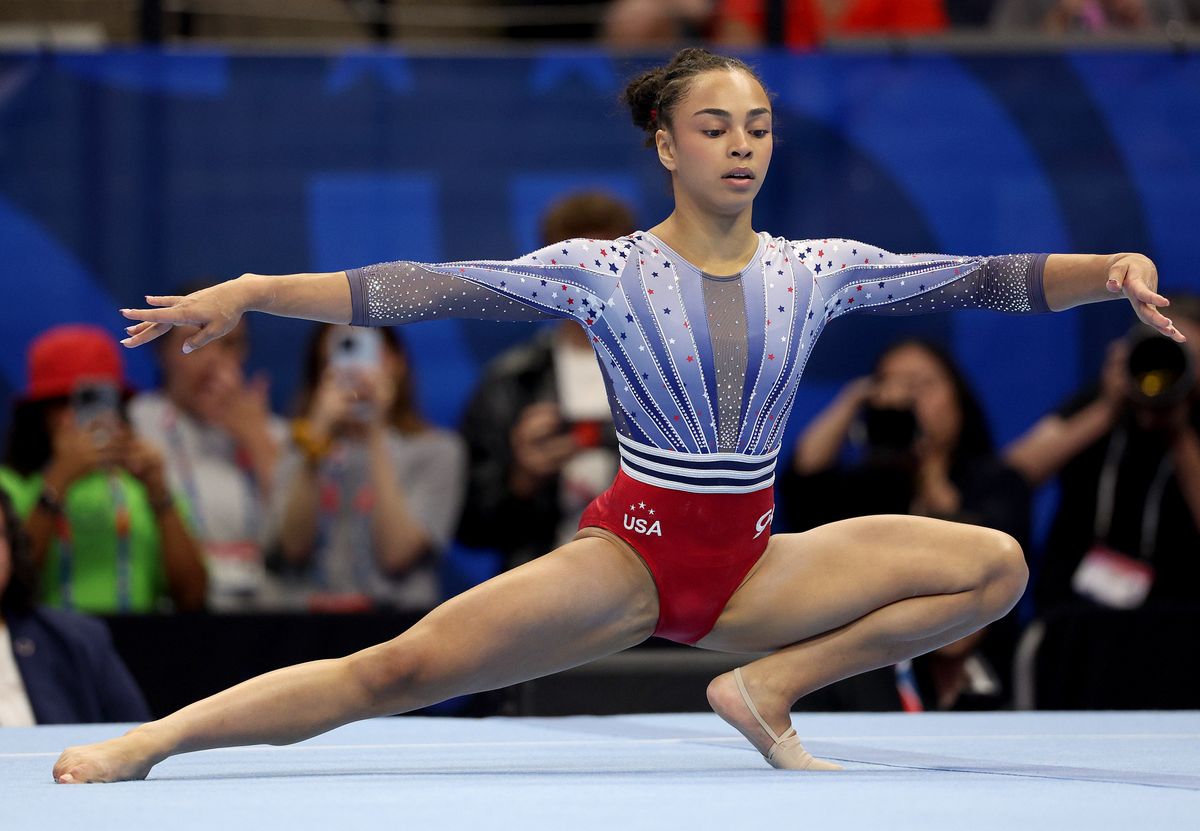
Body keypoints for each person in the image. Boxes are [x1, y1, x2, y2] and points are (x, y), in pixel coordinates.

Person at [54, 47, 1179, 783]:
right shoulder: (602, 270)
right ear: (666, 144)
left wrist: (1113, 266)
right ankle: (152, 742)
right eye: (716, 126)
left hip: (752, 561)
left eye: (759, 126)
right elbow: (414, 286)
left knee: (992, 566)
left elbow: (986, 277)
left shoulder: (823, 265)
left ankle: (765, 687)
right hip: (633, 555)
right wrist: (254, 292)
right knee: (392, 673)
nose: (742, 145)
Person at [784, 338, 1031, 709]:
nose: (905, 397)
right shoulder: (868, 487)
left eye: (923, 385)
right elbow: (804, 483)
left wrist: (930, 471)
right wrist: (855, 399)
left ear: (958, 398)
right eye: (890, 383)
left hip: (975, 668)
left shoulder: (996, 481)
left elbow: (978, 562)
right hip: (873, 672)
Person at [457, 192, 634, 569]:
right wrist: (521, 479)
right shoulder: (510, 382)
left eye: (606, 266)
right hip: (540, 587)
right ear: (548, 275)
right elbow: (470, 527)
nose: (592, 284)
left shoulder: (673, 379)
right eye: (577, 269)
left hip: (654, 598)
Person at [1005, 299, 1200, 612]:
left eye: (1182, 353)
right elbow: (1013, 475)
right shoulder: (1097, 405)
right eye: (1158, 344)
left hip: (1176, 622)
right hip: (1070, 618)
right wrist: (1106, 411)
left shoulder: (1193, 425)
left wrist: (1179, 435)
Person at [0, 325, 207, 615]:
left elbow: (193, 596)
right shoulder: (9, 487)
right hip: (43, 649)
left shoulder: (141, 486)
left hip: (138, 649)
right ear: (40, 412)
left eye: (95, 402)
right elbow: (9, 585)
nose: (82, 418)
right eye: (65, 402)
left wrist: (160, 493)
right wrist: (58, 479)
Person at [271, 324, 465, 610]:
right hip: (307, 626)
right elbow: (293, 548)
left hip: (395, 627)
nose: (355, 372)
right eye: (337, 358)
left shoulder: (438, 450)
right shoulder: (297, 444)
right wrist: (317, 436)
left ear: (398, 364)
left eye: (369, 354)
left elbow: (396, 555)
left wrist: (375, 428)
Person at [128, 297, 285, 611]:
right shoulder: (136, 424)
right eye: (196, 340)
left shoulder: (274, 432)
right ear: (161, 349)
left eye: (229, 344)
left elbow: (295, 545)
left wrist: (257, 442)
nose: (214, 358)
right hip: (173, 610)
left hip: (265, 613)